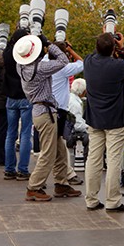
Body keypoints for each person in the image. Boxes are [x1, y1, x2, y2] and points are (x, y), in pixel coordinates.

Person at [14, 34, 81, 202]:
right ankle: (34, 187)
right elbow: (63, 61)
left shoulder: (21, 67)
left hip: (42, 111)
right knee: (48, 154)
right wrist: (49, 44)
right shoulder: (40, 69)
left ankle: (61, 183)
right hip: (46, 114)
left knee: (60, 150)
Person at [83, 31, 124, 212]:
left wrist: (106, 40)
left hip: (95, 119)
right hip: (115, 119)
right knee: (113, 160)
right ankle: (112, 200)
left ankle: (91, 199)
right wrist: (122, 49)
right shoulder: (117, 66)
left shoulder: (89, 63)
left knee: (93, 159)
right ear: (113, 48)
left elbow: (93, 53)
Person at [51, 40, 85, 185]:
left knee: (59, 148)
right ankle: (36, 184)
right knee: (50, 151)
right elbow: (83, 63)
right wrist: (70, 51)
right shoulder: (63, 68)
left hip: (47, 110)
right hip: (58, 111)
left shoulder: (45, 63)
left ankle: (64, 179)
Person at [3, 26, 33, 180]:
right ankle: (23, 169)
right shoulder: (26, 55)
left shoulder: (7, 53)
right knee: (26, 134)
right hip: (25, 96)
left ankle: (9, 168)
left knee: (10, 134)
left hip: (10, 97)